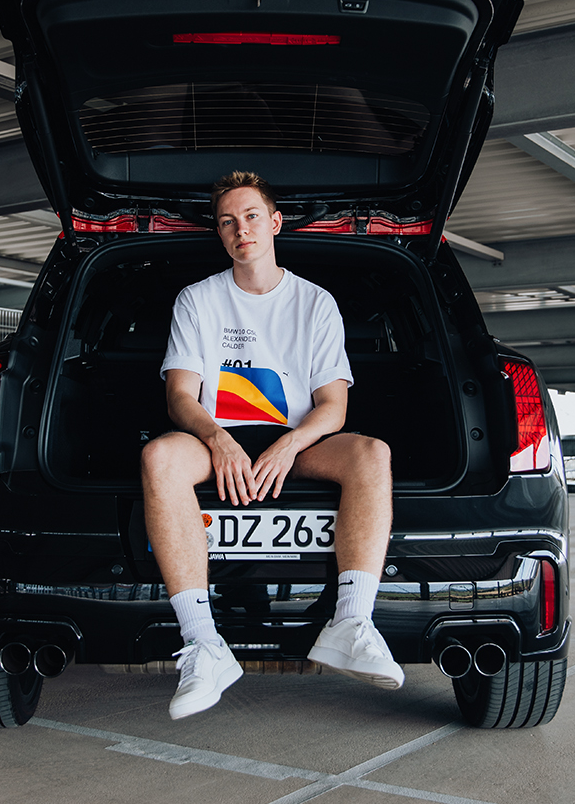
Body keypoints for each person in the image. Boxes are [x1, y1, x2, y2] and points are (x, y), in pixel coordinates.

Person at [141, 169, 403, 720]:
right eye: (228, 222)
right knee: (159, 455)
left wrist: (287, 446)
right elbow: (181, 398)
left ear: (276, 222)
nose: (242, 230)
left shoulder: (314, 303)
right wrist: (218, 439)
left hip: (298, 442)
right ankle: (205, 646)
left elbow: (334, 406)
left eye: (252, 217)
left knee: (371, 454)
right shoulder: (197, 300)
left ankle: (352, 624)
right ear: (220, 233)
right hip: (217, 443)